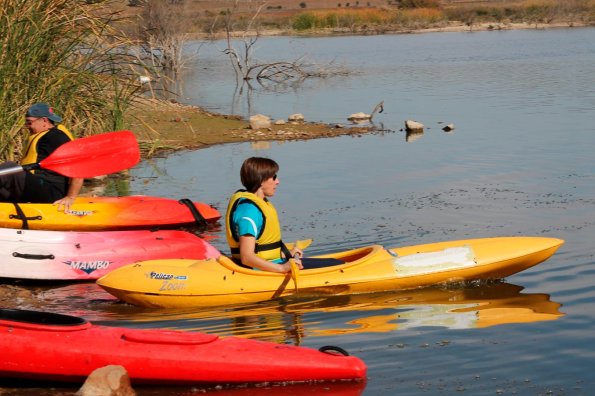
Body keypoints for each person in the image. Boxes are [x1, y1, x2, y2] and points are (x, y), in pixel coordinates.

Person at [225, 157, 303, 273]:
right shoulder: (249, 212)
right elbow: (247, 257)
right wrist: (282, 268)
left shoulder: (258, 204)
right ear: (261, 180)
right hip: (260, 272)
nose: (278, 181)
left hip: (273, 262)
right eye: (274, 177)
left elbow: (261, 249)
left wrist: (286, 253)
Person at [0, 103, 83, 211]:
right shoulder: (43, 136)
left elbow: (78, 167)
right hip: (35, 188)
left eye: (29, 122)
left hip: (52, 191)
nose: (27, 126)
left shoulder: (56, 137)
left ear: (44, 121)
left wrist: (70, 197)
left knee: (9, 168)